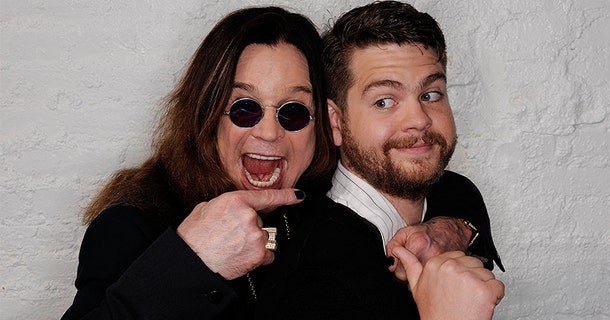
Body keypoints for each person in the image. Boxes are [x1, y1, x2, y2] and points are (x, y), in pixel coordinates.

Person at [61, 5, 484, 320]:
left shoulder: (314, 200)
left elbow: (425, 172)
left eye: (293, 111)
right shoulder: (132, 225)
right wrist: (191, 260)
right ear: (206, 116)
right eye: (245, 108)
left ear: (326, 124)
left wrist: (451, 228)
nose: (268, 133)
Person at [253, 1, 504, 319]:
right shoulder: (313, 286)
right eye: (384, 101)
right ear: (335, 123)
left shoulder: (450, 195)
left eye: (430, 94)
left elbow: (456, 191)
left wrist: (457, 229)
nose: (419, 120)